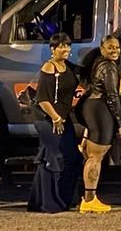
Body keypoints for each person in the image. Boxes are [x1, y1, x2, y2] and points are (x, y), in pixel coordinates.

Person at [76, 4, 121, 213]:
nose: (115, 51)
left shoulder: (98, 58)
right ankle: (89, 199)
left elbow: (113, 39)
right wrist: (120, 124)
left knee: (92, 155)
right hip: (101, 108)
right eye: (111, 48)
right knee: (96, 157)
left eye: (117, 48)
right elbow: (112, 96)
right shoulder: (108, 68)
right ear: (102, 49)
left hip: (92, 106)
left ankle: (88, 196)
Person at [27, 32, 83, 213]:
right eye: (61, 46)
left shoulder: (67, 66)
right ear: (52, 49)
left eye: (67, 46)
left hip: (62, 120)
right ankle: (50, 203)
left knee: (70, 157)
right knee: (55, 158)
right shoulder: (49, 68)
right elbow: (43, 98)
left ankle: (44, 201)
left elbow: (87, 68)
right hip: (49, 120)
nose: (65, 49)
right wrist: (56, 118)